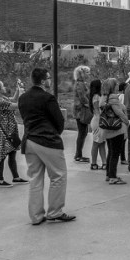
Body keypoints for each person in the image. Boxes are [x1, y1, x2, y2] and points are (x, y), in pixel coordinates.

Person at [18, 67, 75, 225]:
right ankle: (55, 211)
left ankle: (36, 216)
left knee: (35, 178)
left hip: (29, 140)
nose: (50, 80)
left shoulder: (23, 98)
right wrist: (55, 133)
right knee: (58, 175)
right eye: (48, 78)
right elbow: (59, 121)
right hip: (47, 140)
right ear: (43, 81)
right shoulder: (48, 98)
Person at [0, 79, 28, 187]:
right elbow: (17, 105)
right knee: (2, 155)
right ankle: (0, 180)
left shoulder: (2, 98)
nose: (5, 87)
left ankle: (16, 177)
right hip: (5, 132)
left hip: (11, 130)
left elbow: (14, 99)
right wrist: (22, 93)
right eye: (2, 86)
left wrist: (17, 90)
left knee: (12, 153)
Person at [101, 77, 130, 185]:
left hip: (108, 128)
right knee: (115, 153)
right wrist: (126, 121)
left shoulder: (104, 97)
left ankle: (109, 174)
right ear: (113, 86)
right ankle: (113, 176)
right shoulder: (113, 97)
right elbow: (118, 112)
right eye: (116, 84)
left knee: (111, 152)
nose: (118, 85)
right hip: (116, 129)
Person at [71, 65, 91, 163]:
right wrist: (89, 104)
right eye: (87, 72)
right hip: (80, 111)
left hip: (81, 110)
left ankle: (78, 154)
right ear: (82, 73)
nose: (89, 74)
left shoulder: (82, 83)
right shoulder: (80, 84)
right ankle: (78, 155)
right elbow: (83, 97)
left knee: (84, 132)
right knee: (82, 132)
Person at [88, 80, 107, 170]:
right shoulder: (96, 97)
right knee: (96, 142)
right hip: (98, 121)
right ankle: (94, 163)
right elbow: (97, 110)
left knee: (102, 142)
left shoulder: (96, 96)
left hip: (98, 120)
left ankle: (104, 162)